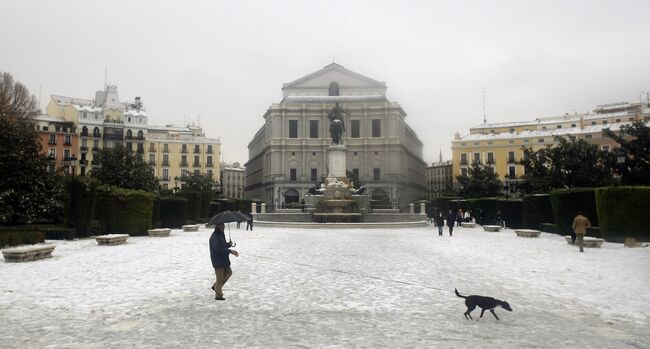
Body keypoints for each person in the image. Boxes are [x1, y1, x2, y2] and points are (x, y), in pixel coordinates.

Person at [209, 223, 239, 300]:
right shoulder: (215, 236)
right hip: (218, 260)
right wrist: (230, 251)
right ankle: (218, 295)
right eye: (222, 226)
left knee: (229, 273)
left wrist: (228, 244)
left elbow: (222, 246)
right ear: (217, 226)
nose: (224, 227)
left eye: (224, 225)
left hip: (224, 259)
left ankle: (216, 286)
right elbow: (218, 249)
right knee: (219, 278)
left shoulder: (220, 235)